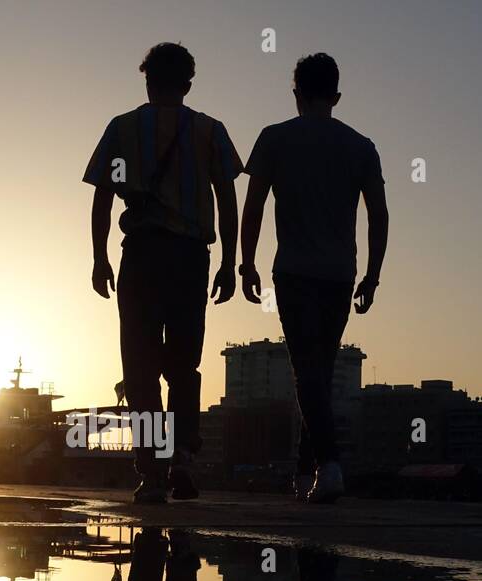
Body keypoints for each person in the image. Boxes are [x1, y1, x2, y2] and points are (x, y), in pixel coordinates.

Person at [84, 42, 242, 504]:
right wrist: (230, 263)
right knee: (184, 365)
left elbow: (103, 197)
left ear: (147, 80)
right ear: (188, 84)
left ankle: (151, 470)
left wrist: (99, 257)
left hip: (143, 255)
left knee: (140, 365)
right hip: (192, 257)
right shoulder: (210, 131)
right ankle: (182, 462)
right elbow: (228, 201)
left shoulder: (123, 129)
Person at [240, 53, 389, 504]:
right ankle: (308, 474)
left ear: (296, 93)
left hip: (294, 271)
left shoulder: (274, 138)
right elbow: (378, 215)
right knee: (317, 372)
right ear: (337, 96)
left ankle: (330, 465)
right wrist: (373, 275)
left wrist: (245, 262)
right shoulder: (361, 146)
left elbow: (254, 205)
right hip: (340, 274)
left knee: (308, 371)